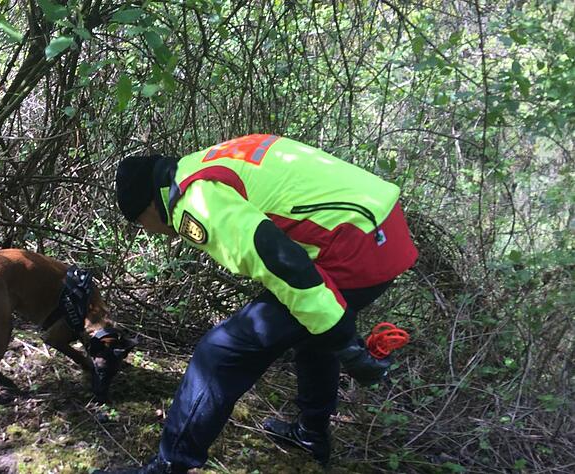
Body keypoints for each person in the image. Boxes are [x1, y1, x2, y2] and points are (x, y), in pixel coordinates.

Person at [98, 135, 419, 473]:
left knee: (219, 353)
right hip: (383, 226)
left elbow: (279, 260)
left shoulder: (195, 201)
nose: (148, 232)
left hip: (355, 247)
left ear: (148, 206)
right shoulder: (201, 162)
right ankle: (312, 436)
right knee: (312, 329)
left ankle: (168, 466)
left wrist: (342, 337)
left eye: (140, 225)